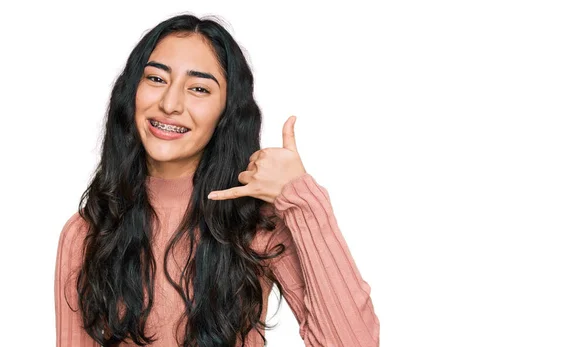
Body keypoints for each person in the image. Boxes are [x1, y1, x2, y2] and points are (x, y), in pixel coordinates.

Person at [54, 13, 380, 347]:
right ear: (131, 93)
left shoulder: (257, 224)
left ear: (226, 113)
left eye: (198, 88)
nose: (170, 104)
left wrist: (299, 198)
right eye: (155, 79)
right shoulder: (87, 232)